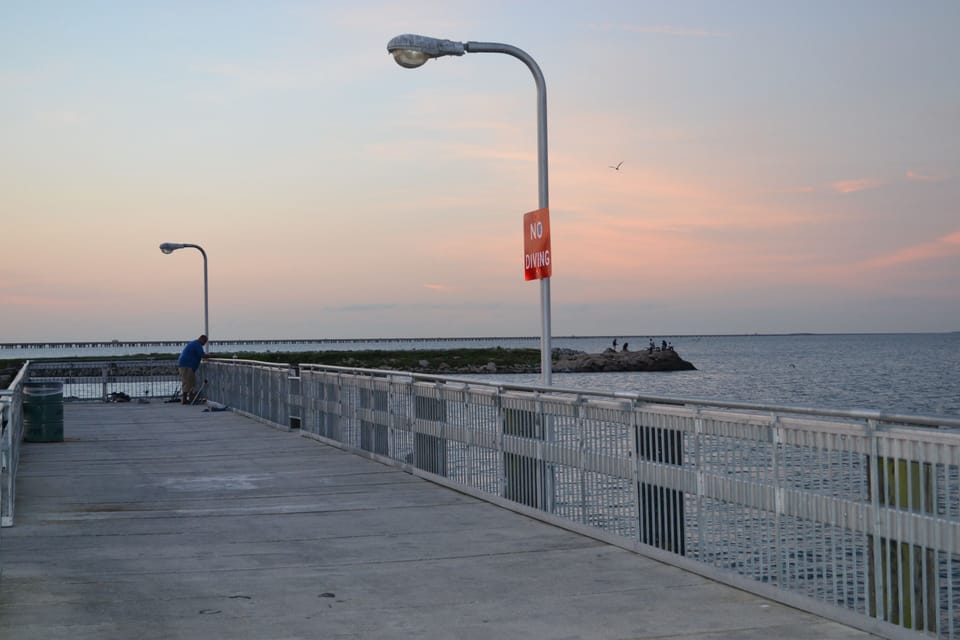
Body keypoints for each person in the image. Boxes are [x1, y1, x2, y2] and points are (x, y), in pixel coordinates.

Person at [177, 334, 209, 404]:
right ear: (201, 339)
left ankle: (190, 398)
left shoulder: (194, 343)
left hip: (185, 364)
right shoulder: (197, 344)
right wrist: (214, 355)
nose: (204, 343)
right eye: (204, 341)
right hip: (187, 365)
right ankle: (184, 400)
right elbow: (202, 355)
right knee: (187, 382)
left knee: (191, 382)